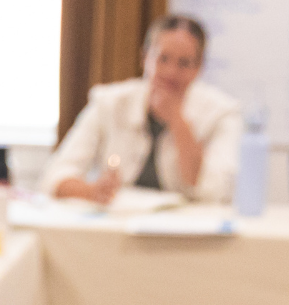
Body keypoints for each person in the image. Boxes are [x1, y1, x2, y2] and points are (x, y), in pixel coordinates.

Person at [41, 14, 240, 203]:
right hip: (117, 226)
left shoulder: (223, 113)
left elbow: (216, 191)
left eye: (184, 63)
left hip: (189, 233)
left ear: (199, 68)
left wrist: (177, 120)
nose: (171, 72)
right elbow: (54, 177)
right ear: (145, 58)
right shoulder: (109, 102)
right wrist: (92, 192)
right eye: (163, 59)